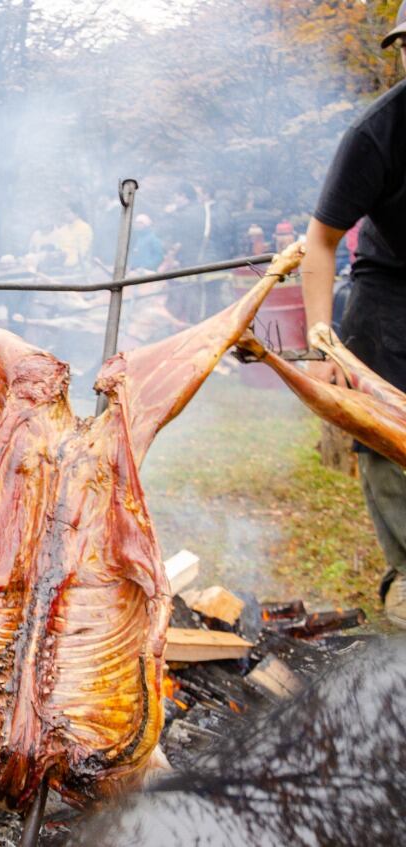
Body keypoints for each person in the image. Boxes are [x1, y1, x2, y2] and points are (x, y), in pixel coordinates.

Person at [301, 5, 406, 630]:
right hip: (389, 294)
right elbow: (320, 243)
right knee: (388, 439)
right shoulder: (377, 132)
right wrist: (322, 344)